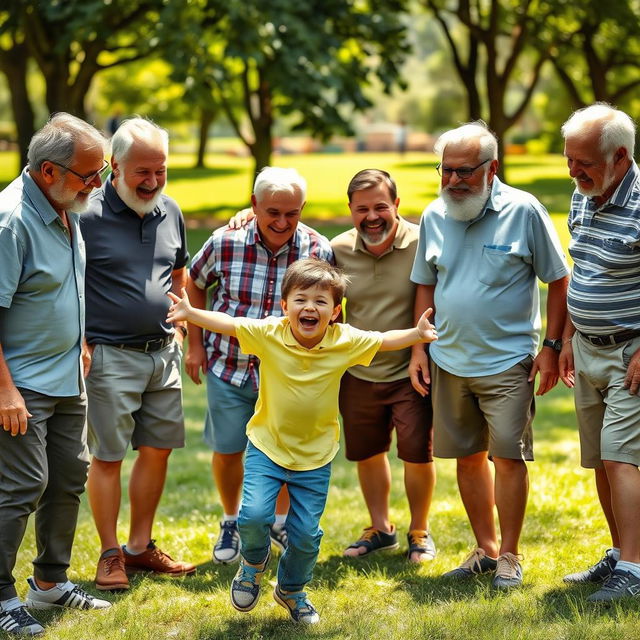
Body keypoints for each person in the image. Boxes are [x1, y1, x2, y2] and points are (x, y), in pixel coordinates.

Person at [167, 258, 438, 624]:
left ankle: (292, 590)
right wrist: (191, 313)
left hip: (315, 455)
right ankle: (252, 564)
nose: (310, 307)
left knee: (306, 535)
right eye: (301, 299)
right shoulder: (269, 333)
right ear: (284, 306)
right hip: (267, 446)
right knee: (254, 516)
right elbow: (230, 323)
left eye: (321, 301)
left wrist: (417, 335)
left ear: (335, 312)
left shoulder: (343, 340)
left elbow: (383, 340)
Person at [410, 121, 569, 589]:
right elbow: (425, 283)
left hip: (508, 362)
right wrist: (420, 348)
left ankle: (511, 556)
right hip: (449, 359)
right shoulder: (435, 215)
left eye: (464, 171)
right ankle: (486, 548)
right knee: (466, 457)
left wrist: (551, 347)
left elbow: (558, 280)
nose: (453, 181)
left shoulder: (525, 211)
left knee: (508, 458)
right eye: (445, 171)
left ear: (492, 168)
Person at [186, 167, 334, 564]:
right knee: (229, 447)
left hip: (287, 377)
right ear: (253, 207)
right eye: (273, 212)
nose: (283, 222)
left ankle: (280, 523)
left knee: (283, 451)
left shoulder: (318, 251)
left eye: (293, 213)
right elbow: (194, 282)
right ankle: (231, 520)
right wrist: (195, 345)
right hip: (229, 365)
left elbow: (331, 311)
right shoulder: (225, 242)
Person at [0, 113, 111, 636]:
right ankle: (0, 595)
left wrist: (82, 342)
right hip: (20, 385)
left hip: (68, 376)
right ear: (49, 171)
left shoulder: (68, 207)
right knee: (21, 486)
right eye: (91, 175)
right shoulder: (11, 221)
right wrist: (4, 390)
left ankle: (49, 583)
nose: (98, 185)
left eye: (102, 172)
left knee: (68, 477)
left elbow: (66, 287)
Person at [81, 118, 195, 591]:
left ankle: (139, 546)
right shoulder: (84, 214)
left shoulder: (171, 210)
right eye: (141, 173)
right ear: (114, 166)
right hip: (108, 355)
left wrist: (182, 320)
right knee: (107, 457)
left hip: (163, 354)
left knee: (158, 449)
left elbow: (180, 270)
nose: (152, 183)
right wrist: (82, 342)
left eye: (160, 172)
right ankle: (109, 555)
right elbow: (65, 283)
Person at [332, 169, 436, 563]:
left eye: (380, 206)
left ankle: (420, 530)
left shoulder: (422, 242)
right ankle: (380, 527)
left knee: (416, 453)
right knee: (368, 452)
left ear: (396, 204)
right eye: (362, 209)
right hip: (357, 372)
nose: (372, 216)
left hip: (411, 370)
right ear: (350, 211)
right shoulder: (336, 249)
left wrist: (418, 352)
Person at [559, 104, 640, 601]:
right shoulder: (582, 196)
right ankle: (618, 553)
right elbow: (583, 271)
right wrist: (567, 338)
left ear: (621, 157)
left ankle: (633, 568)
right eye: (569, 160)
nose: (574, 171)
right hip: (586, 347)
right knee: (598, 460)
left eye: (584, 161)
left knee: (621, 459)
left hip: (630, 352)